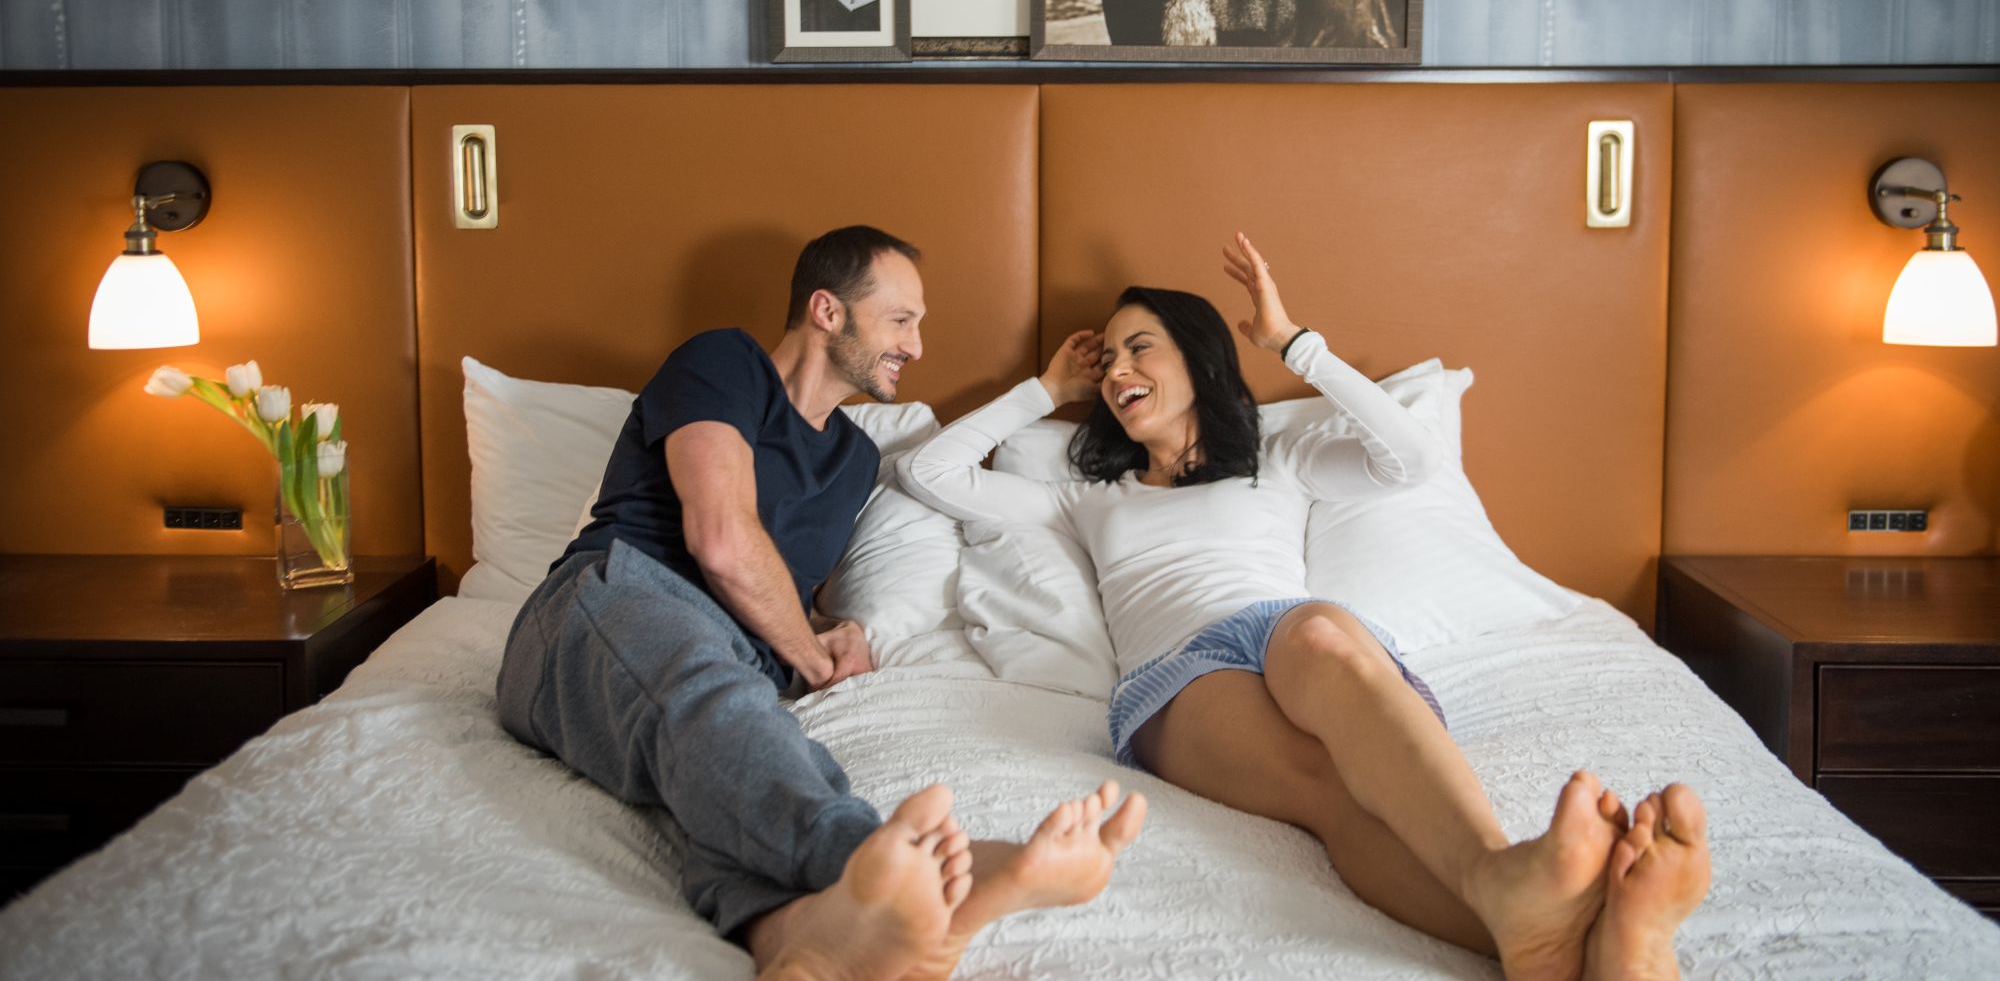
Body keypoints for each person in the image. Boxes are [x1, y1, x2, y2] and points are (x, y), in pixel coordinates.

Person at [900, 232, 1711, 981]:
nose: (1116, 372)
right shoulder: (1086, 496)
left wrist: (1294, 343)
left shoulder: (1280, 459)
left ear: (1199, 359)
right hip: (1181, 672)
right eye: (1106, 359)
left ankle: (1526, 914)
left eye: (1139, 347)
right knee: (1325, 785)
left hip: (1290, 632)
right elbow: (928, 473)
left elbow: (1413, 458)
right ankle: (1552, 916)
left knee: (1323, 633)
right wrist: (1047, 388)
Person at [496, 225, 1146, 980]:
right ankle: (912, 871)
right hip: (609, 599)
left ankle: (801, 942)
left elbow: (779, 588)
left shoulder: (853, 457)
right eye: (901, 320)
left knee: (721, 756)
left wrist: (829, 631)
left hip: (727, 658)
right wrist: (807, 654)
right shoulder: (723, 362)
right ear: (828, 311)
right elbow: (721, 539)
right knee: (710, 694)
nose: (917, 346)